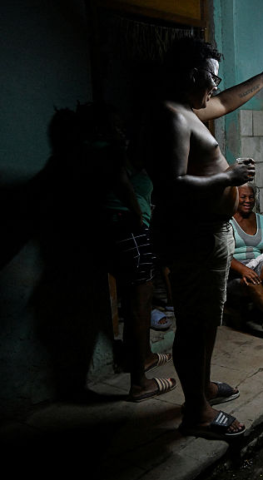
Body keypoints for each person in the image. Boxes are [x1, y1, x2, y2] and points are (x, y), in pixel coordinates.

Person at [142, 36, 263, 440]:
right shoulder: (170, 115)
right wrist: (229, 177)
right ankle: (197, 412)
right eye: (212, 78)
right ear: (191, 74)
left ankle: (199, 388)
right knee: (194, 324)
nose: (216, 88)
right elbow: (169, 186)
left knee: (207, 322)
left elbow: (224, 103)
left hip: (209, 235)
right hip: (193, 237)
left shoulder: (188, 108)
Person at [74, 101, 177, 402]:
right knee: (139, 304)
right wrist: (136, 214)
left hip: (118, 229)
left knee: (138, 302)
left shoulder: (95, 152)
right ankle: (139, 383)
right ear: (103, 127)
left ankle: (142, 356)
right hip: (127, 228)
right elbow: (121, 185)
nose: (122, 131)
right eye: (116, 125)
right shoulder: (107, 150)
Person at [227, 183, 263, 334]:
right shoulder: (227, 222)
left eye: (251, 197)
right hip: (235, 273)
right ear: (235, 198)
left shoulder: (261, 220)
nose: (248, 200)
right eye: (243, 197)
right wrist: (243, 270)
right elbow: (224, 256)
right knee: (252, 281)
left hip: (257, 264)